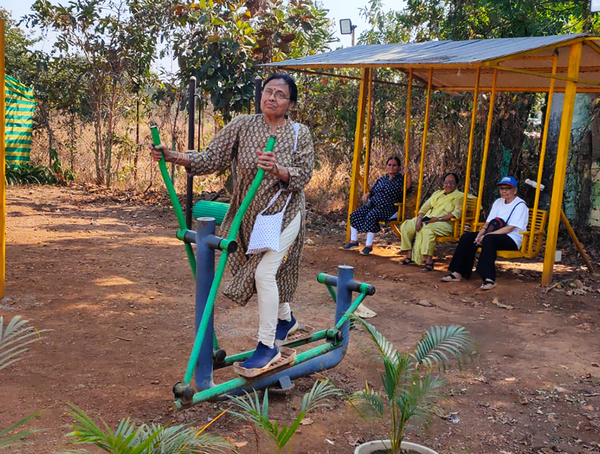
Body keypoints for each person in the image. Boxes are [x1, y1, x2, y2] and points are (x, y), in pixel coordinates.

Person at [150, 73, 314, 373]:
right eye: (268, 91)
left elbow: (304, 174)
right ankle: (286, 319)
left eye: (280, 94)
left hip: (285, 212)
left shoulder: (298, 134)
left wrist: (278, 169)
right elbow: (211, 158)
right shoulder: (243, 125)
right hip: (249, 215)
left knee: (264, 273)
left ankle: (267, 347)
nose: (272, 98)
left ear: (290, 103)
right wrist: (172, 156)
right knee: (258, 269)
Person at [441, 176, 529, 290]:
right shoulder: (498, 202)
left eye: (508, 188)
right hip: (493, 234)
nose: (504, 191)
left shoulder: (520, 205)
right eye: (502, 188)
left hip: (511, 238)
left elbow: (510, 228)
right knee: (467, 237)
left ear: (515, 190)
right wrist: (480, 235)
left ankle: (489, 278)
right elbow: (488, 223)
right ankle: (457, 272)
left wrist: (486, 235)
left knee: (489, 240)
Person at [342, 156, 411, 256]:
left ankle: (368, 246)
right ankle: (354, 241)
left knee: (372, 215)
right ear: (386, 166)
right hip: (374, 205)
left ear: (399, 168)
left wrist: (408, 174)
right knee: (355, 214)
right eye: (389, 165)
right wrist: (368, 194)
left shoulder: (400, 180)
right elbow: (373, 191)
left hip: (389, 208)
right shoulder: (382, 179)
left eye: (394, 165)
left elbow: (407, 187)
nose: (391, 167)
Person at [399, 172, 463, 271]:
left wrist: (438, 219)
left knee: (427, 230)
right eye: (446, 182)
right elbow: (425, 207)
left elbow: (456, 213)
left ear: (456, 184)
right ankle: (409, 255)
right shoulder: (437, 193)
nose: (448, 185)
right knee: (406, 225)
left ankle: (429, 261)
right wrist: (419, 219)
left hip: (444, 223)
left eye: (452, 182)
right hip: (428, 219)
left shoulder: (460, 196)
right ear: (443, 183)